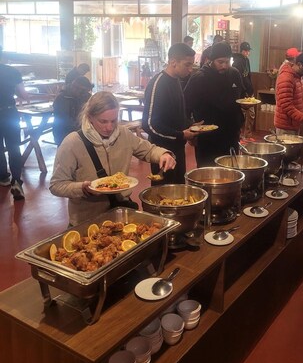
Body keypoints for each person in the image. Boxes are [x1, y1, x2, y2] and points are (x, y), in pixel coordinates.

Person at [49, 91, 176, 226]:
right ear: (90, 117)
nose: (109, 127)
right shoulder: (72, 142)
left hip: (120, 213)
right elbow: (56, 185)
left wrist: (164, 154)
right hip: (87, 219)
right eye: (103, 121)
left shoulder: (124, 134)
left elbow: (149, 150)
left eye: (113, 120)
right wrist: (82, 188)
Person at [142, 43, 198, 184]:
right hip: (162, 151)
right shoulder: (158, 83)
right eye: (187, 65)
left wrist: (191, 125)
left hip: (178, 148)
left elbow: (175, 113)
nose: (190, 69)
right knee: (163, 196)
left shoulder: (176, 80)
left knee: (178, 190)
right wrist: (180, 134)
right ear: (173, 62)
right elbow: (149, 125)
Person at [185, 42, 244, 166]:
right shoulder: (199, 78)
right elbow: (186, 107)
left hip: (231, 133)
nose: (224, 66)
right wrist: (190, 128)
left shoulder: (234, 74)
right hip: (208, 137)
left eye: (227, 62)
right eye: (220, 62)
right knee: (208, 174)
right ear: (211, 60)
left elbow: (242, 97)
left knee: (231, 172)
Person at [0, 46, 31, 200]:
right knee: (14, 147)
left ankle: (3, 177)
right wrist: (24, 97)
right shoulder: (12, 72)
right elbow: (23, 94)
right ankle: (16, 181)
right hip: (9, 112)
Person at [275, 51, 303, 135]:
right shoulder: (286, 78)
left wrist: (302, 106)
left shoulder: (298, 76)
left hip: (294, 122)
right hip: (285, 125)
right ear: (299, 64)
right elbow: (286, 105)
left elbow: (294, 98)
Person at [52, 76, 93, 145]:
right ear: (75, 87)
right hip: (64, 133)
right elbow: (65, 122)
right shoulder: (62, 99)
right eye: (83, 91)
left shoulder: (84, 96)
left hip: (80, 130)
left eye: (86, 91)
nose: (85, 94)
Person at [232, 41, 255, 140]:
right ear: (242, 51)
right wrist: (244, 91)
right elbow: (238, 79)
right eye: (246, 51)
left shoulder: (247, 60)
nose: (247, 53)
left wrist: (250, 89)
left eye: (248, 51)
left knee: (251, 114)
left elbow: (248, 76)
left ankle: (248, 135)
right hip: (242, 93)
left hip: (249, 91)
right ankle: (241, 136)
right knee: (243, 115)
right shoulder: (237, 62)